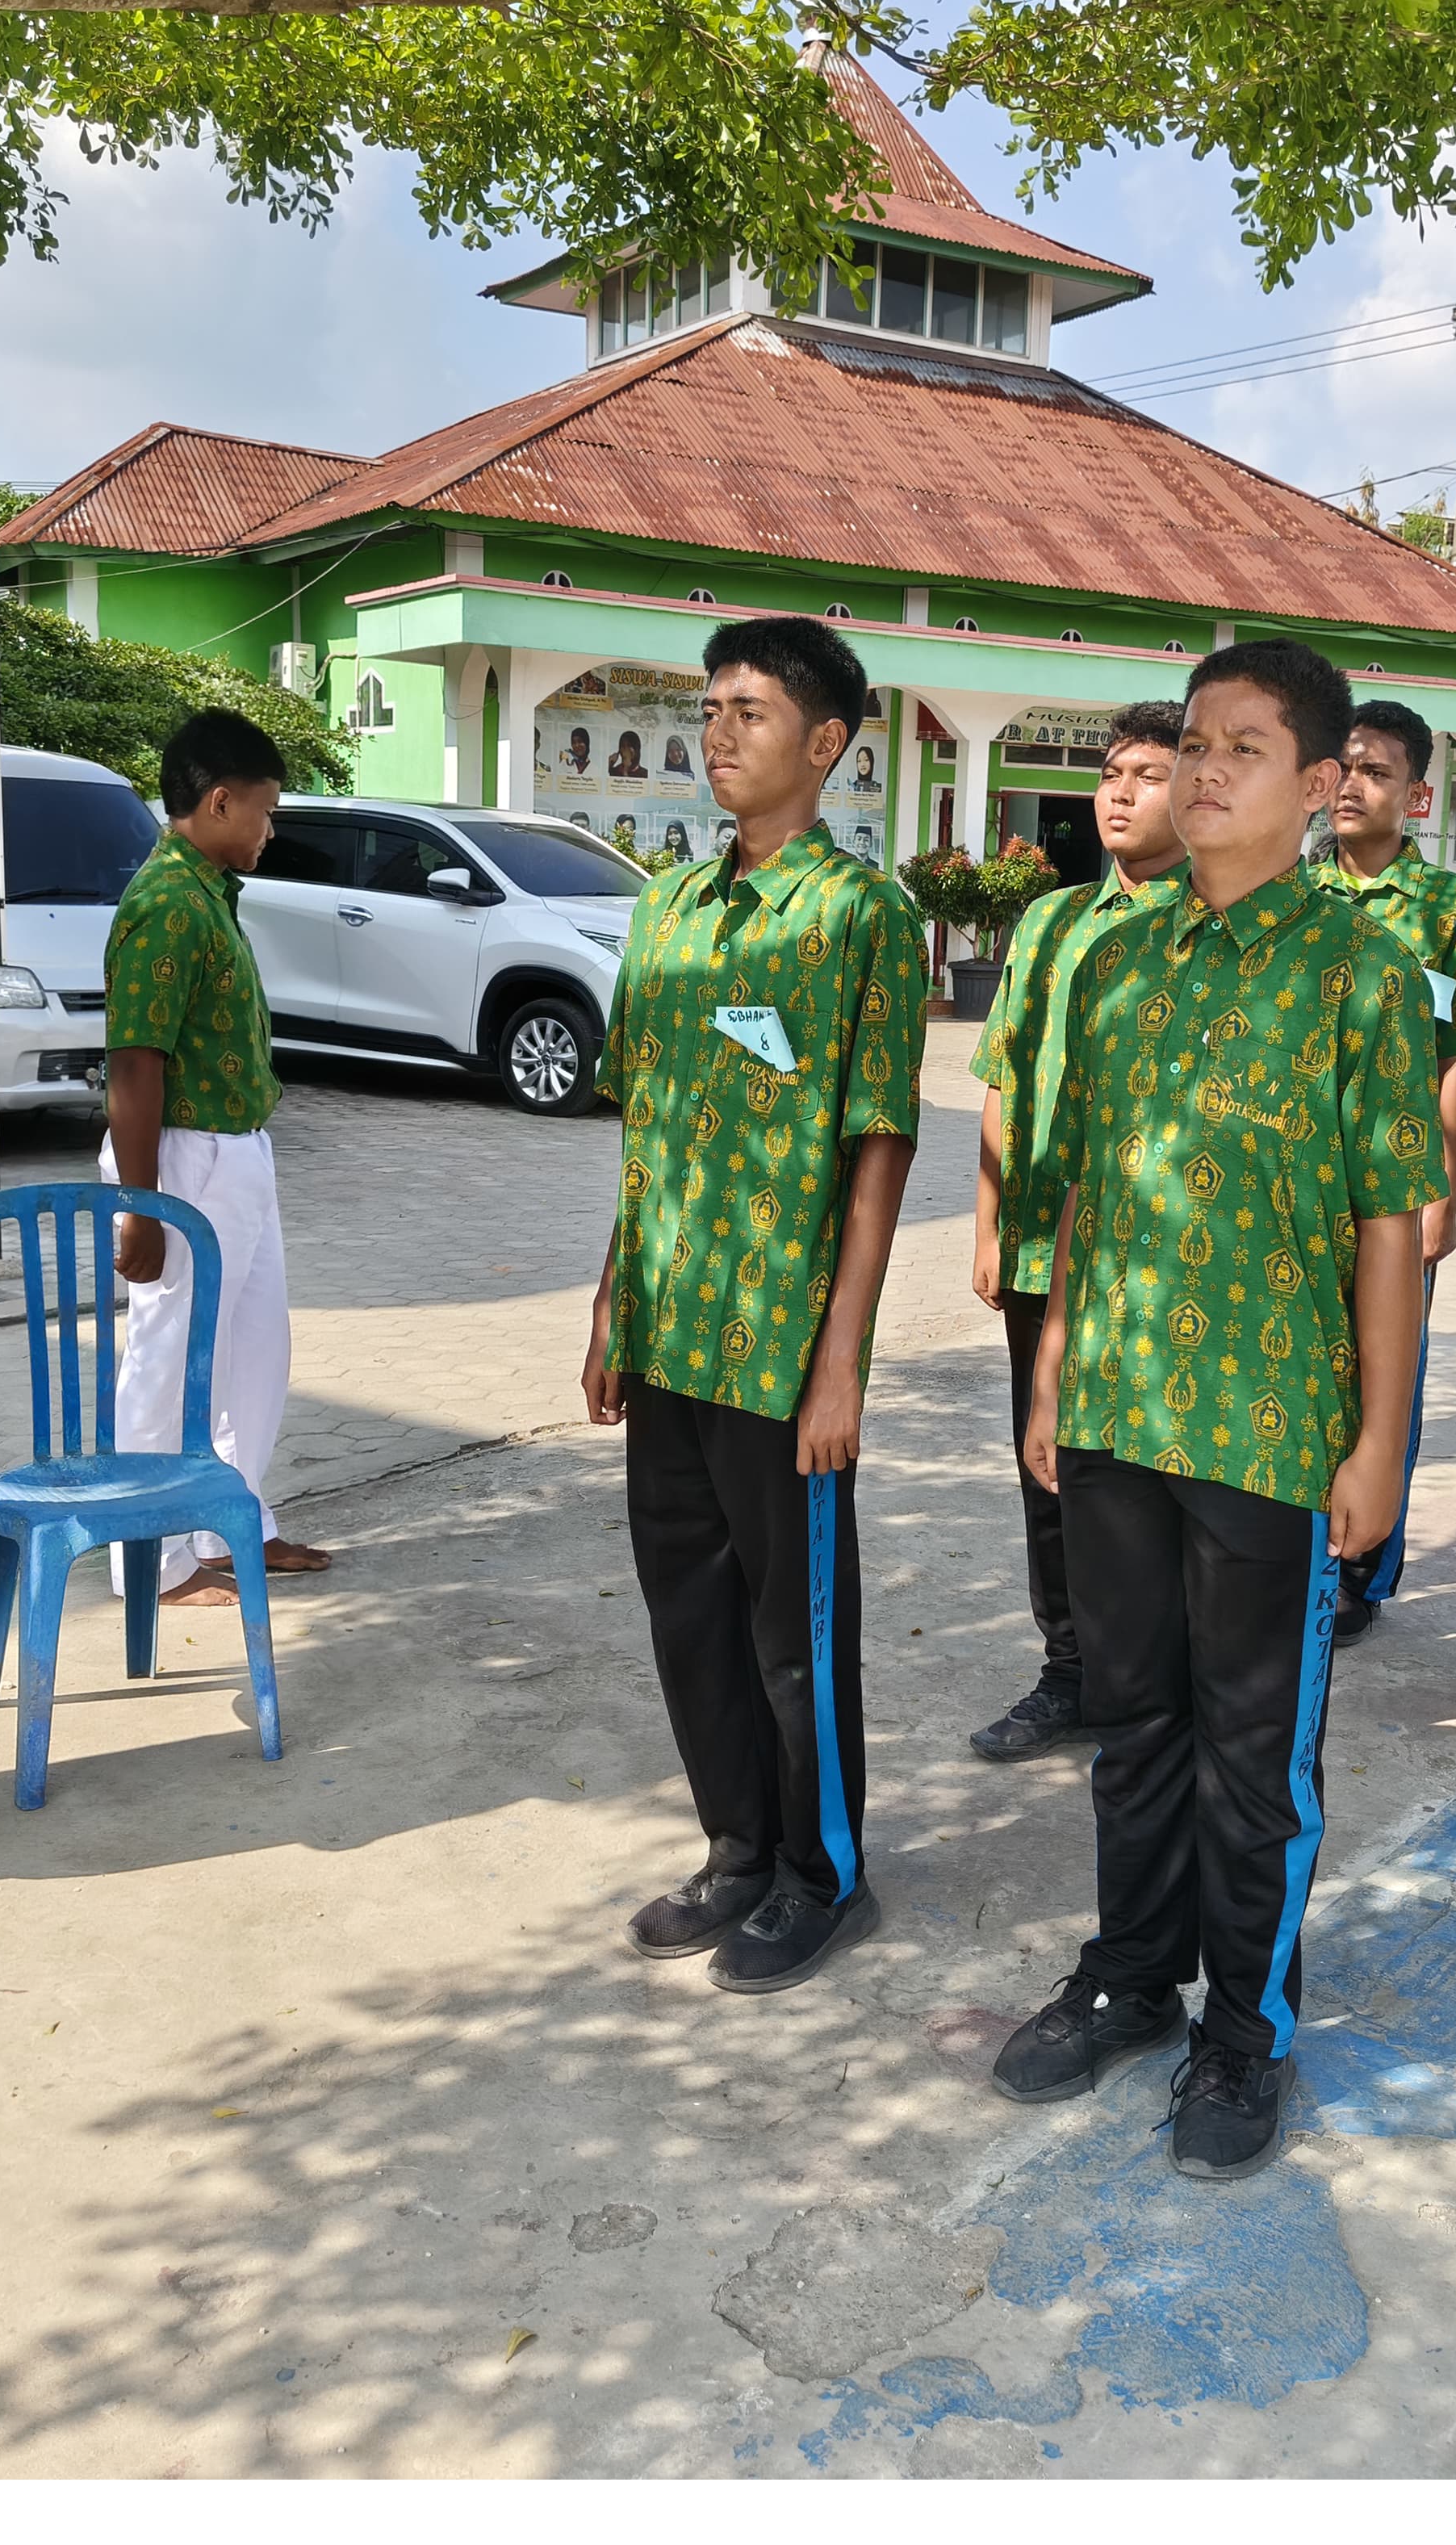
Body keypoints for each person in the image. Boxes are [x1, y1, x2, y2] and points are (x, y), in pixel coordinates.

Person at [990, 639, 1445, 2180]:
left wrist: (1380, 1440)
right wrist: (1051, 1374)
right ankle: (1128, 1970)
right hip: (1118, 1405)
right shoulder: (1111, 960)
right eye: (1193, 742)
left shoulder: (1362, 972)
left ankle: (1242, 2030)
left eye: (1244, 748)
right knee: (1133, 1724)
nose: (1202, 771)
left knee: (1256, 1752)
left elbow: (1392, 1216)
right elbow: (1078, 1198)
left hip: (1271, 1429)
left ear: (1321, 789)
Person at [584, 615, 930, 1995]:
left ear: (827, 745)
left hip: (783, 1350)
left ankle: (818, 1869)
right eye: (711, 707)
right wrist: (612, 1303)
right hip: (670, 1327)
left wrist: (842, 1357)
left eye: (752, 712)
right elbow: (645, 1131)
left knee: (794, 1637)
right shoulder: (667, 907)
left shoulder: (862, 918)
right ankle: (736, 1848)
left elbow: (877, 1145)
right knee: (688, 1613)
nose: (719, 733)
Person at [964, 698, 1188, 1762]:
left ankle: (1147, 1676)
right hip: (1034, 1246)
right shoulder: (1051, 924)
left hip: (1149, 1262)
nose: (1120, 791)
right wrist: (986, 1228)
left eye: (1148, 773)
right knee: (1045, 1466)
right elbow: (1003, 1077)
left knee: (1141, 1482)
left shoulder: (1201, 934)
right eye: (1112, 772)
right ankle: (1069, 1670)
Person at [99, 708, 328, 1610]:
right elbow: (133, 1062)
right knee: (169, 1361)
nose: (270, 830)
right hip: (183, 1160)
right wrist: (143, 1202)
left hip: (236, 1153)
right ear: (220, 802)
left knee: (251, 1356)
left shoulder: (206, 895)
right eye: (264, 813)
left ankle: (230, 1525)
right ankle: (147, 1565)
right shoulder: (164, 904)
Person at [1310, 697, 1456, 1643]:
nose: (1353, 786)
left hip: (1396, 1182)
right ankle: (1304, 1542)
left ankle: (1362, 1569)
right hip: (1301, 1175)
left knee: (1391, 1363)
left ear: (1418, 794)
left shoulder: (1454, 912)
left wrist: (1444, 1192)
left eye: (1377, 772)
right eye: (1343, 767)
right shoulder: (1294, 891)